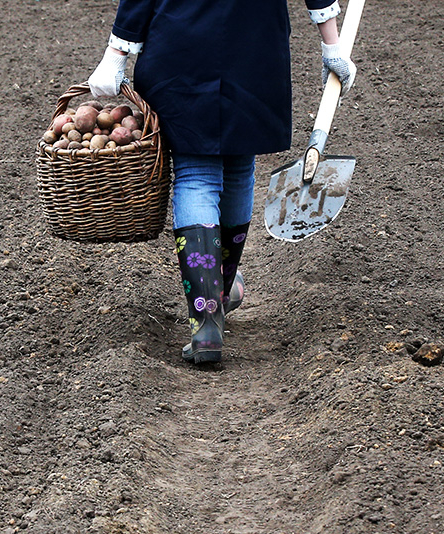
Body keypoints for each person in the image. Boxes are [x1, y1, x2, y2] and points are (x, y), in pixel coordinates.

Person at [87, 0, 356, 365]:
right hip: (255, 43)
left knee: (196, 174)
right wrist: (332, 45)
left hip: (181, 41)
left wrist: (116, 52)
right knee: (239, 165)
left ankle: (207, 320)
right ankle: (222, 293)